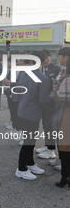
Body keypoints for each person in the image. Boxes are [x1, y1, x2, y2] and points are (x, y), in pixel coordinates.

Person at [15, 51, 50, 181]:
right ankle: (21, 169)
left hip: (22, 110)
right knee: (29, 142)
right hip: (32, 113)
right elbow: (43, 101)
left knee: (30, 140)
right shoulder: (43, 78)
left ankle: (30, 163)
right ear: (42, 61)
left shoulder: (24, 74)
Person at [36, 51, 61, 159]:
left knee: (50, 126)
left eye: (47, 58)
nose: (46, 60)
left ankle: (51, 150)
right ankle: (48, 146)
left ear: (51, 58)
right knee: (45, 125)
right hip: (43, 102)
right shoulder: (40, 68)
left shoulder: (56, 69)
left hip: (52, 103)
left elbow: (58, 85)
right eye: (44, 58)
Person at [54, 57, 70, 187]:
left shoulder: (67, 80)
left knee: (64, 147)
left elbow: (62, 97)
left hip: (67, 115)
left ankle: (66, 176)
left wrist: (56, 89)